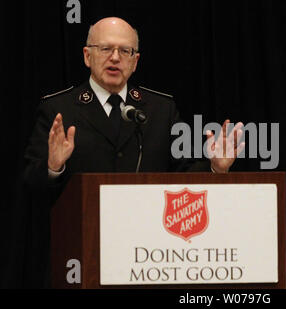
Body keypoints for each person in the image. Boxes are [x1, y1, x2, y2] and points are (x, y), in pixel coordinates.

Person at [22, 17, 244, 287]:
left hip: (148, 260)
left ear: (135, 61)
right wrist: (53, 166)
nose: (115, 58)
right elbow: (30, 187)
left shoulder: (161, 110)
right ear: (87, 56)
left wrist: (215, 169)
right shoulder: (59, 109)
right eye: (105, 49)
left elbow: (182, 174)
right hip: (81, 259)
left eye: (125, 51)